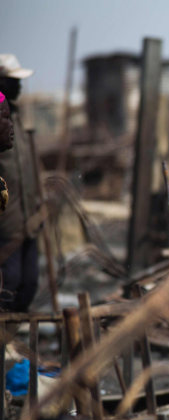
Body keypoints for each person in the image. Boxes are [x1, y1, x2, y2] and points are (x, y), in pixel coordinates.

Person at [0, 54, 41, 312]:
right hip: (6, 223)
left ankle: (10, 338)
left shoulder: (16, 118)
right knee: (9, 282)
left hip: (29, 218)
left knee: (29, 283)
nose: (19, 87)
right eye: (13, 81)